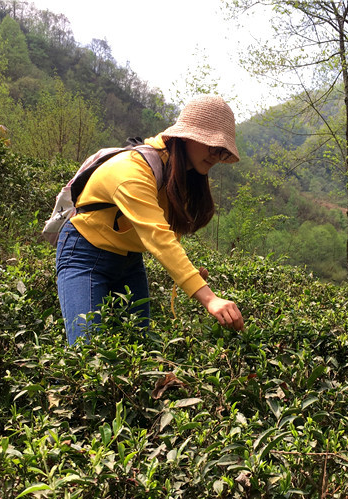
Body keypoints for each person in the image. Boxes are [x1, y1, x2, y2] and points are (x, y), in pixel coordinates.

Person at [56, 94, 245, 345]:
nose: (215, 154)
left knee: (139, 350)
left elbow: (168, 232)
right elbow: (158, 236)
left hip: (129, 262)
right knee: (87, 353)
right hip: (85, 255)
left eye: (221, 149)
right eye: (208, 142)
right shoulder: (131, 170)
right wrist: (209, 298)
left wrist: (193, 277)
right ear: (185, 136)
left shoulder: (180, 175)